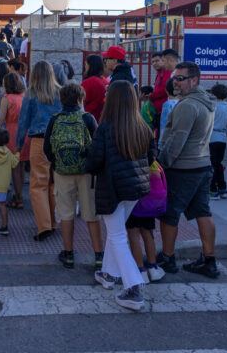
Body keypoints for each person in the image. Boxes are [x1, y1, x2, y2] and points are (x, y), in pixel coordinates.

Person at [84, 80, 154, 311]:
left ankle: (133, 287)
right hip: (135, 188)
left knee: (117, 236)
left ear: (112, 100)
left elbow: (94, 162)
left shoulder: (105, 128)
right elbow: (152, 156)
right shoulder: (142, 126)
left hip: (112, 189)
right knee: (117, 233)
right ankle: (108, 274)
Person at [157, 62, 218, 278]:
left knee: (169, 214)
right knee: (203, 211)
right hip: (202, 164)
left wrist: (161, 164)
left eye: (180, 78)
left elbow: (177, 140)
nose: (175, 81)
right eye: (175, 77)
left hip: (183, 168)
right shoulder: (207, 101)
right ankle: (209, 260)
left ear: (194, 80)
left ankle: (167, 258)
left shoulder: (187, 105)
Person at [43, 83, 102, 270]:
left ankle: (68, 255)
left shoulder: (55, 119)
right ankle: (99, 256)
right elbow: (98, 145)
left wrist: (58, 162)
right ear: (80, 99)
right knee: (91, 214)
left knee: (66, 213)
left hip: (62, 172)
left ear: (61, 100)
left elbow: (47, 148)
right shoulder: (87, 118)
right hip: (86, 172)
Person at [17, 61, 62, 241]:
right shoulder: (60, 92)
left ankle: (44, 226)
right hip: (57, 141)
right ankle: (54, 222)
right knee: (53, 183)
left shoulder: (31, 94)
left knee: (38, 184)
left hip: (39, 140)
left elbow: (23, 122)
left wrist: (19, 145)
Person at [0, 72, 28, 209]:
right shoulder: (25, 96)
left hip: (12, 133)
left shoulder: (7, 98)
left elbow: (1, 118)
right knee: (21, 166)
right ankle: (19, 194)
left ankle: (18, 197)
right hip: (25, 133)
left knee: (15, 167)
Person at [209, 84, 227, 200]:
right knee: (218, 164)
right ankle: (222, 188)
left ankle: (213, 190)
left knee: (212, 164)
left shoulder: (213, 107)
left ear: (213, 94)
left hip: (212, 137)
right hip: (222, 137)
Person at [81, 54, 109, 121]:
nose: (84, 67)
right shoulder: (106, 81)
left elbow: (81, 104)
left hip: (89, 120)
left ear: (90, 65)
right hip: (102, 119)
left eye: (86, 64)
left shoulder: (88, 82)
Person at [148, 51, 172, 116]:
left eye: (157, 61)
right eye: (153, 62)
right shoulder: (159, 73)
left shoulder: (167, 72)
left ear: (163, 61)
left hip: (165, 111)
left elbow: (165, 88)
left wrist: (151, 96)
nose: (155, 63)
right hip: (160, 111)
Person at [158, 77, 178, 150]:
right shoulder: (184, 103)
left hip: (168, 143)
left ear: (166, 91)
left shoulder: (167, 105)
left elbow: (164, 125)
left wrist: (161, 144)